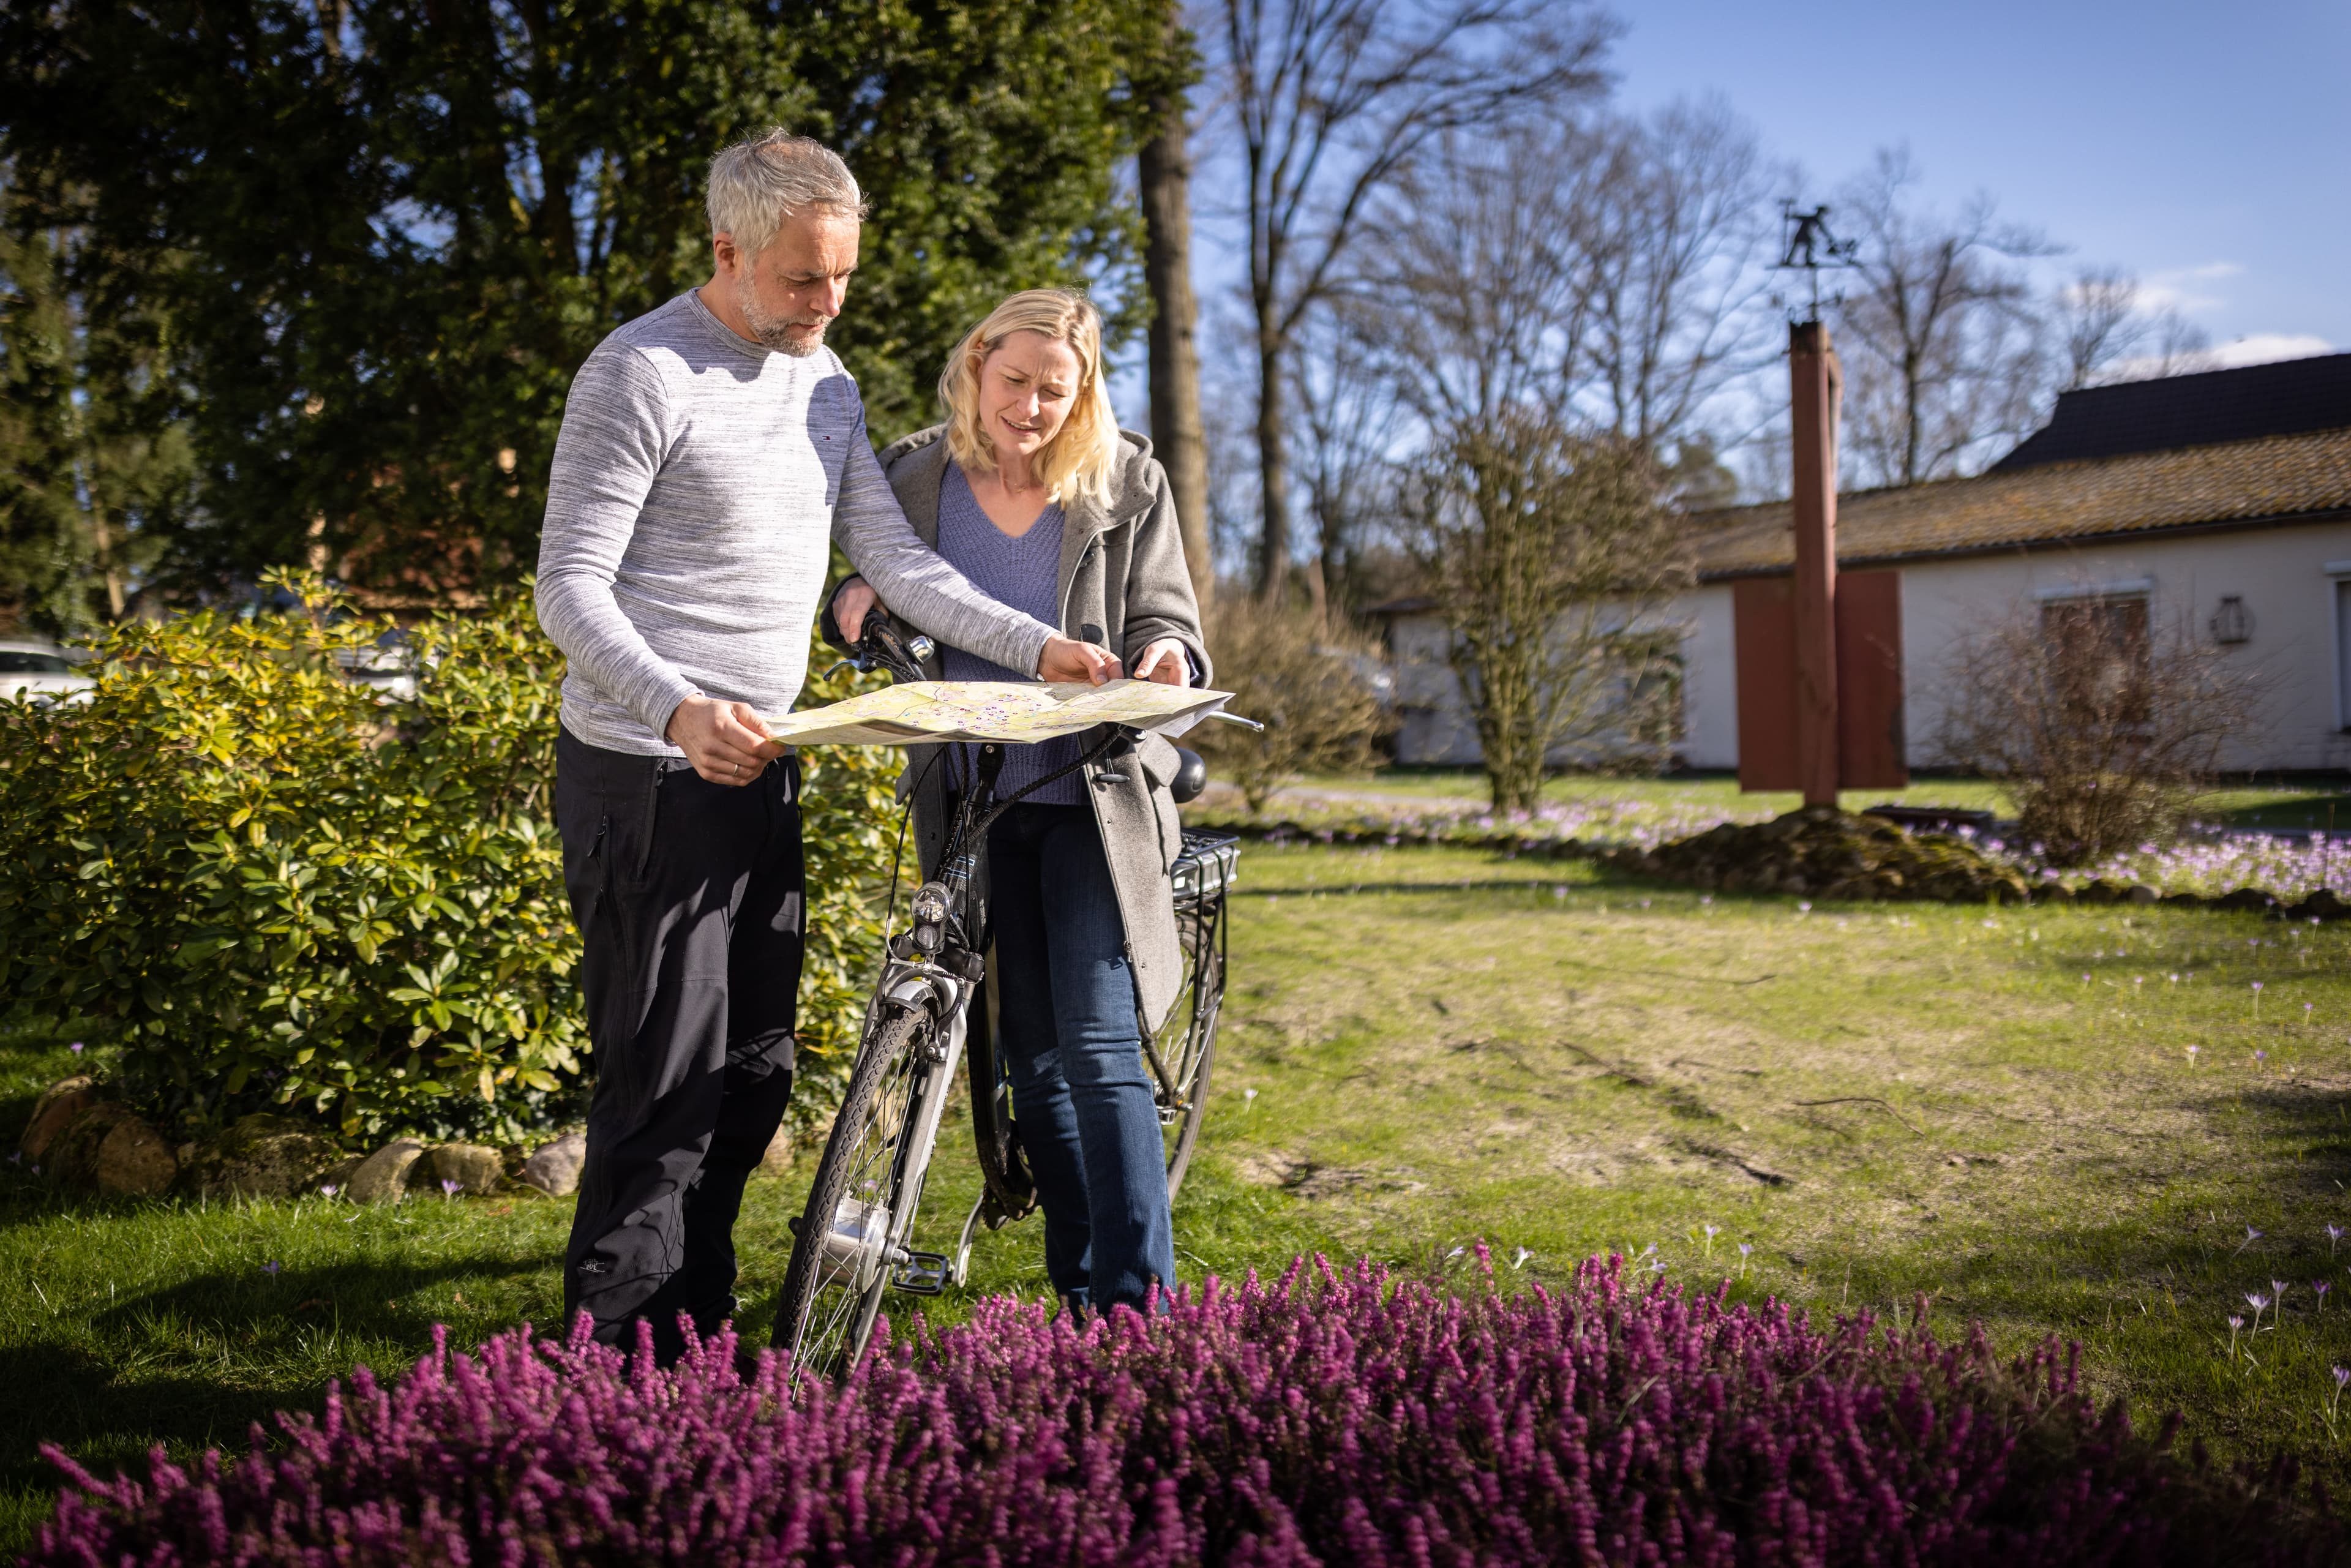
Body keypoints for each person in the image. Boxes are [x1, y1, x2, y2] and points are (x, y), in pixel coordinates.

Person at [534, 133, 1124, 1364]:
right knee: (664, 1086)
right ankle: (613, 1371)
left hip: (761, 763)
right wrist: (677, 707)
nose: (829, 302)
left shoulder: (825, 380)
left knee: (752, 1073)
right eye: (805, 279)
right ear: (728, 252)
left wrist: (1038, 647)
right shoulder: (638, 373)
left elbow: (897, 562)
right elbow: (570, 589)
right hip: (649, 776)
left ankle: (693, 1327)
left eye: (844, 276)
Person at [830, 288, 1208, 1318]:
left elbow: (1168, 611)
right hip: (971, 793)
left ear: (1082, 390)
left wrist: (1167, 651)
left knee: (1092, 1041)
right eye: (1015, 381)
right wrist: (855, 594)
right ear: (977, 362)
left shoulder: (1124, 478)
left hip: (1090, 786)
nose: (1032, 406)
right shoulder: (913, 475)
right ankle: (1081, 1285)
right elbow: (870, 579)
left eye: (1056, 388)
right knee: (1031, 1060)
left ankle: (1139, 1309)